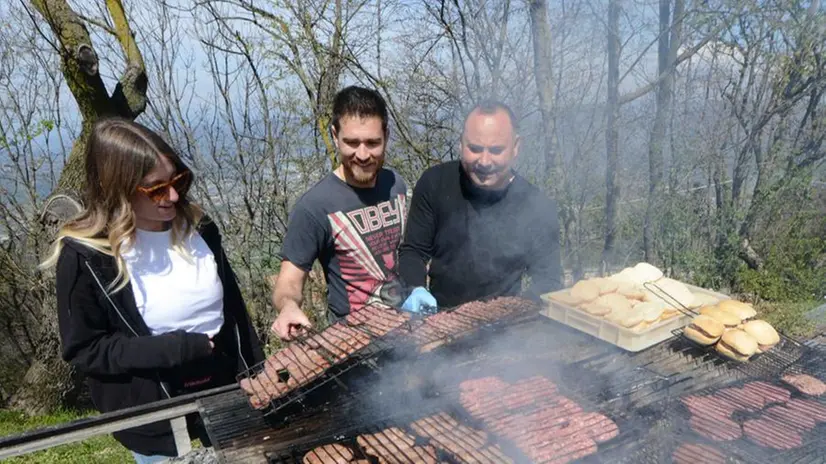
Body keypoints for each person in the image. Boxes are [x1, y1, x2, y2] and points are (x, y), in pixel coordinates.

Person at [41, 118, 264, 464]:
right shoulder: (85, 256)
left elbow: (234, 310)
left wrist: (256, 371)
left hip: (227, 396)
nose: (173, 195)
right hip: (155, 416)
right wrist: (172, 349)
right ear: (117, 188)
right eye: (156, 188)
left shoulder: (199, 227)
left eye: (178, 180)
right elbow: (86, 350)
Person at [270, 86, 416, 341]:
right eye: (351, 142)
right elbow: (289, 281)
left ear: (386, 137)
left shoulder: (396, 185)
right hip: (354, 346)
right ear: (335, 136)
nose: (362, 154)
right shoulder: (314, 206)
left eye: (372, 143)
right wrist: (289, 306)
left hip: (407, 335)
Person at [398, 100, 563, 310]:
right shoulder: (434, 183)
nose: (484, 161)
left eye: (496, 150)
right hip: (438, 317)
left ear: (516, 147)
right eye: (475, 149)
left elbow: (548, 280)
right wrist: (414, 289)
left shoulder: (537, 207)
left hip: (504, 326)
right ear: (460, 144)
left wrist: (516, 310)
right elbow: (413, 251)